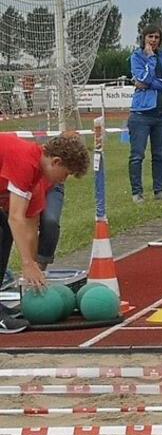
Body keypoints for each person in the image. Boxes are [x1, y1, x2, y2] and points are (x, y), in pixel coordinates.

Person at [0, 133, 90, 332]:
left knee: (4, 232)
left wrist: (32, 272)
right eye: (66, 174)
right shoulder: (25, 160)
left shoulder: (37, 179)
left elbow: (30, 229)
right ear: (56, 162)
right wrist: (26, 263)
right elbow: (15, 217)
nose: (64, 180)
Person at [128, 24, 162, 203]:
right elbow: (143, 79)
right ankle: (137, 192)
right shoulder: (136, 57)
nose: (153, 40)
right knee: (137, 155)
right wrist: (149, 59)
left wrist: (150, 83)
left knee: (159, 154)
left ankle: (159, 190)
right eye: (150, 37)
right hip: (141, 113)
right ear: (144, 38)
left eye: (156, 37)